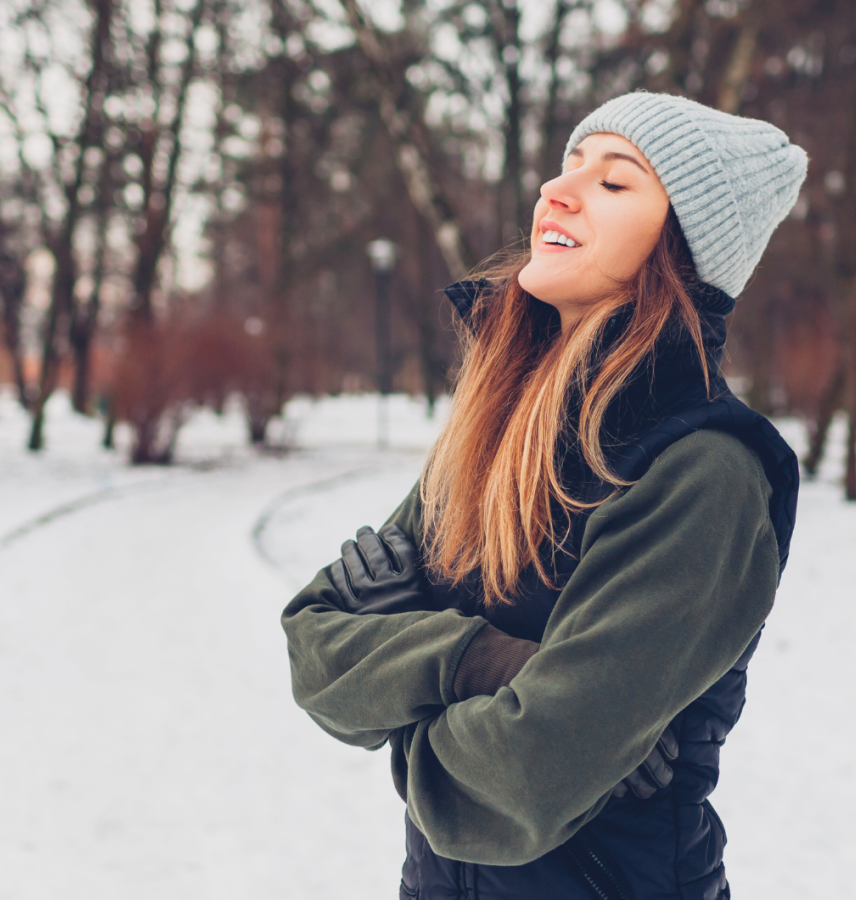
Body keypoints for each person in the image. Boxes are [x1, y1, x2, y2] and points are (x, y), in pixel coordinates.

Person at [281, 91, 808, 900]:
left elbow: (515, 787)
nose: (555, 193)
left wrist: (404, 695)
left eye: (615, 182)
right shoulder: (497, 431)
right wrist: (491, 665)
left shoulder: (700, 469)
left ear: (684, 247)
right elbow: (315, 646)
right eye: (568, 166)